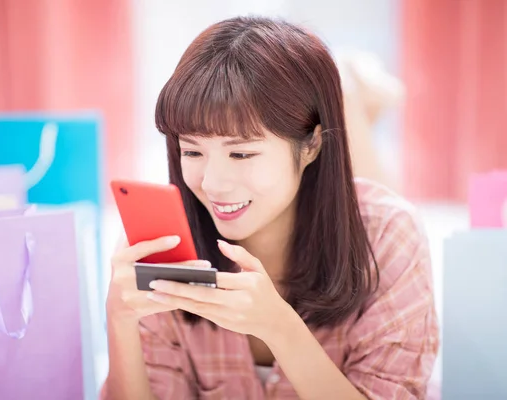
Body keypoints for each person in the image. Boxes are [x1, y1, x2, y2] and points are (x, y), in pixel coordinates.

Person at [103, 16, 439, 400]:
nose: (213, 183)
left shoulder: (388, 237)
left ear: (312, 145)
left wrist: (281, 329)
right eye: (192, 150)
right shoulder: (161, 245)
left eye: (242, 153)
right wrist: (119, 320)